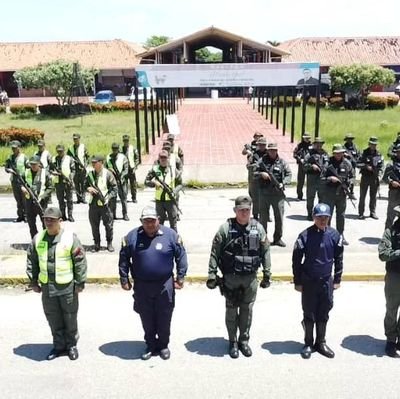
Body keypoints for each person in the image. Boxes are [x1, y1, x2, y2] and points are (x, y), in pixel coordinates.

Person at [119, 205, 188, 360]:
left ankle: (163, 345)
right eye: (146, 221)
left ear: (158, 219)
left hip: (165, 284)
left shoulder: (171, 235)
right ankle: (150, 345)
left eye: (152, 221)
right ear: (141, 222)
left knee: (164, 316)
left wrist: (180, 277)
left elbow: (181, 257)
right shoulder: (132, 237)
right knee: (146, 317)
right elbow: (123, 258)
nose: (150, 224)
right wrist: (124, 279)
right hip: (142, 285)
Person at [207, 195, 271, 358]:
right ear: (235, 210)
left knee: (247, 310)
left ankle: (244, 341)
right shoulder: (225, 229)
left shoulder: (259, 228)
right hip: (231, 278)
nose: (244, 213)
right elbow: (215, 252)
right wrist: (212, 274)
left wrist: (267, 274)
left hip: (250, 278)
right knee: (231, 310)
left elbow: (265, 252)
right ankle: (232, 342)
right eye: (241, 210)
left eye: (247, 210)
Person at [26, 206, 87, 361]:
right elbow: (32, 261)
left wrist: (80, 282)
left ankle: (71, 345)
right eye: (46, 219)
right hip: (47, 288)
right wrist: (33, 281)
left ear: (60, 221)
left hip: (67, 287)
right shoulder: (38, 238)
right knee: (53, 318)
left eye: (52, 220)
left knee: (70, 317)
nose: (48, 223)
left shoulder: (70, 238)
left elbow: (79, 261)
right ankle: (59, 346)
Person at [292, 203, 343, 359]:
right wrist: (298, 281)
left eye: (325, 217)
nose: (322, 220)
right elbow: (296, 260)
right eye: (319, 217)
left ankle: (321, 342)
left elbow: (339, 258)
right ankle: (308, 343)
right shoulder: (304, 236)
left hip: (327, 281)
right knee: (309, 313)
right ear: (314, 217)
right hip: (309, 281)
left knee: (324, 311)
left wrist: (337, 279)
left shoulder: (335, 235)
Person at [255, 142, 292, 247]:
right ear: (268, 150)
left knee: (279, 218)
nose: (272, 152)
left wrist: (283, 182)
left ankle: (278, 238)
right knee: (263, 217)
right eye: (270, 150)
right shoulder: (262, 161)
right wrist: (261, 174)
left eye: (274, 150)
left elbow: (289, 174)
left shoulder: (282, 162)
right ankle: (263, 238)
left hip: (278, 195)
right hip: (264, 194)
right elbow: (254, 173)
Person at [320, 144, 354, 246]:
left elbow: (352, 176)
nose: (338, 155)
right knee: (327, 215)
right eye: (336, 153)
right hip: (329, 193)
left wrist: (350, 183)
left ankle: (340, 235)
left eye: (340, 153)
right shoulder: (328, 164)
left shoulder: (347, 163)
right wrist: (330, 179)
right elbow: (321, 178)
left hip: (342, 194)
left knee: (341, 215)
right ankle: (326, 234)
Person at [378, 205, 400, 357]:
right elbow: (383, 254)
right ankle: (391, 340)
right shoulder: (390, 232)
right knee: (391, 309)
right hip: (394, 275)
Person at [85, 155, 118, 252]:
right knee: (94, 225)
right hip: (93, 204)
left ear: (101, 162)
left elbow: (114, 189)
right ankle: (97, 243)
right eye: (92, 162)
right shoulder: (90, 174)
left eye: (95, 162)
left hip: (105, 205)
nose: (93, 164)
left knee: (108, 225)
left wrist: (108, 198)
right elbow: (84, 185)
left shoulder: (108, 174)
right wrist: (88, 188)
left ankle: (109, 243)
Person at [145, 150, 179, 232]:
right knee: (159, 224)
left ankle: (174, 241)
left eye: (165, 158)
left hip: (170, 201)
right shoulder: (154, 169)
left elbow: (180, 184)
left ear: (168, 158)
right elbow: (146, 182)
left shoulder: (173, 170)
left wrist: (174, 191)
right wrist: (154, 183)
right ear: (159, 159)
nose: (163, 160)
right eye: (161, 158)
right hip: (159, 201)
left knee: (173, 224)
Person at [23, 156, 53, 238]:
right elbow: (20, 182)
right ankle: (35, 239)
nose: (33, 166)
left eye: (34, 164)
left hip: (41, 203)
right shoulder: (26, 172)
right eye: (31, 164)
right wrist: (22, 188)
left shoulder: (45, 173)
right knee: (31, 223)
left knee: (45, 223)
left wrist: (43, 196)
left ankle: (45, 239)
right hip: (29, 202)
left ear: (39, 164)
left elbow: (50, 188)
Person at [357, 136, 384, 220]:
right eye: (372, 144)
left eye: (375, 144)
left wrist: (379, 172)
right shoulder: (364, 153)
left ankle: (372, 212)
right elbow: (358, 164)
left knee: (373, 196)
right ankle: (361, 213)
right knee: (362, 196)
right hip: (365, 177)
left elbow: (381, 165)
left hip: (374, 177)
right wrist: (365, 166)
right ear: (369, 144)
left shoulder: (379, 154)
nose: (373, 146)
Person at [303, 137, 329, 220]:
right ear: (314, 144)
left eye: (320, 144)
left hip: (322, 178)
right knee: (310, 197)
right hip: (312, 178)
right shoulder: (309, 154)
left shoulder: (325, 153)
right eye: (317, 144)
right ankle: (310, 214)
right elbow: (304, 165)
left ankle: (320, 213)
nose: (319, 145)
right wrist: (311, 166)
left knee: (322, 197)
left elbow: (329, 163)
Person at [4, 140, 29, 222]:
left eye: (15, 148)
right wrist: (11, 170)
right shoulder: (10, 158)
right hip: (14, 181)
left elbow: (28, 168)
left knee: (24, 199)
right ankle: (20, 215)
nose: (13, 149)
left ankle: (26, 215)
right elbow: (6, 168)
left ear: (19, 148)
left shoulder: (24, 157)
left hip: (22, 180)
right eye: (12, 148)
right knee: (18, 199)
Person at [50, 145, 75, 222]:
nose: (59, 152)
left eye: (61, 151)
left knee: (69, 200)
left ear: (64, 151)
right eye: (58, 151)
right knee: (60, 200)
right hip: (58, 182)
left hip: (67, 182)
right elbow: (50, 169)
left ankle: (70, 215)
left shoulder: (69, 159)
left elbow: (73, 170)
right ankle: (63, 215)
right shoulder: (54, 159)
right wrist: (53, 173)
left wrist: (71, 178)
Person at [106, 143, 129, 221]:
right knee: (112, 199)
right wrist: (109, 170)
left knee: (123, 199)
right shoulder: (108, 158)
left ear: (118, 149)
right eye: (113, 148)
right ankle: (113, 214)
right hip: (112, 182)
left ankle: (125, 214)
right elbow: (106, 168)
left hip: (121, 182)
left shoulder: (123, 158)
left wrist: (122, 177)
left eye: (116, 149)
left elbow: (126, 170)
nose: (114, 150)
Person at [247, 137, 267, 220]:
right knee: (255, 198)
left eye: (263, 145)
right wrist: (256, 166)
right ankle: (255, 215)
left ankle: (266, 214)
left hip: (266, 179)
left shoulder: (268, 154)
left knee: (266, 198)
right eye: (260, 145)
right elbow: (248, 166)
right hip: (256, 178)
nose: (262, 146)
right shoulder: (253, 155)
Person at [67, 133, 89, 204]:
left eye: (76, 139)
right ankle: (78, 198)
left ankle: (83, 198)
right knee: (76, 184)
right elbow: (68, 158)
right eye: (74, 139)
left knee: (83, 184)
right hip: (75, 169)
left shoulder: (83, 147)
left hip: (82, 168)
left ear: (79, 139)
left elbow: (87, 157)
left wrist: (85, 166)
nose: (75, 140)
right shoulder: (71, 148)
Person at [383, 144, 400, 229]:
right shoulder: (391, 165)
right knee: (391, 215)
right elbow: (384, 178)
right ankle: (386, 237)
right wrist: (392, 182)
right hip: (394, 192)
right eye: (399, 152)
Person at [293, 132, 312, 201]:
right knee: (300, 181)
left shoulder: (312, 146)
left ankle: (309, 196)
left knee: (310, 181)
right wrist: (299, 159)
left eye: (308, 138)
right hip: (301, 165)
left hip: (309, 165)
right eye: (305, 138)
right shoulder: (299, 146)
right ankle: (299, 195)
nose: (307, 139)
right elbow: (294, 154)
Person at [121, 135, 139, 203]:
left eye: (127, 141)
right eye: (124, 141)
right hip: (124, 170)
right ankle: (124, 197)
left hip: (131, 169)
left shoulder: (133, 149)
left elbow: (137, 158)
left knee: (133, 185)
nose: (126, 142)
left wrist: (135, 167)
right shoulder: (121, 149)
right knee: (124, 184)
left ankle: (134, 198)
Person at [343, 133, 360, 200]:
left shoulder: (355, 147)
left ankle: (351, 192)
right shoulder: (343, 148)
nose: (349, 141)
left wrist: (356, 161)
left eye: (350, 139)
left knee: (352, 179)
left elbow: (359, 155)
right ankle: (345, 191)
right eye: (348, 139)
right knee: (344, 179)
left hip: (353, 166)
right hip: (345, 166)